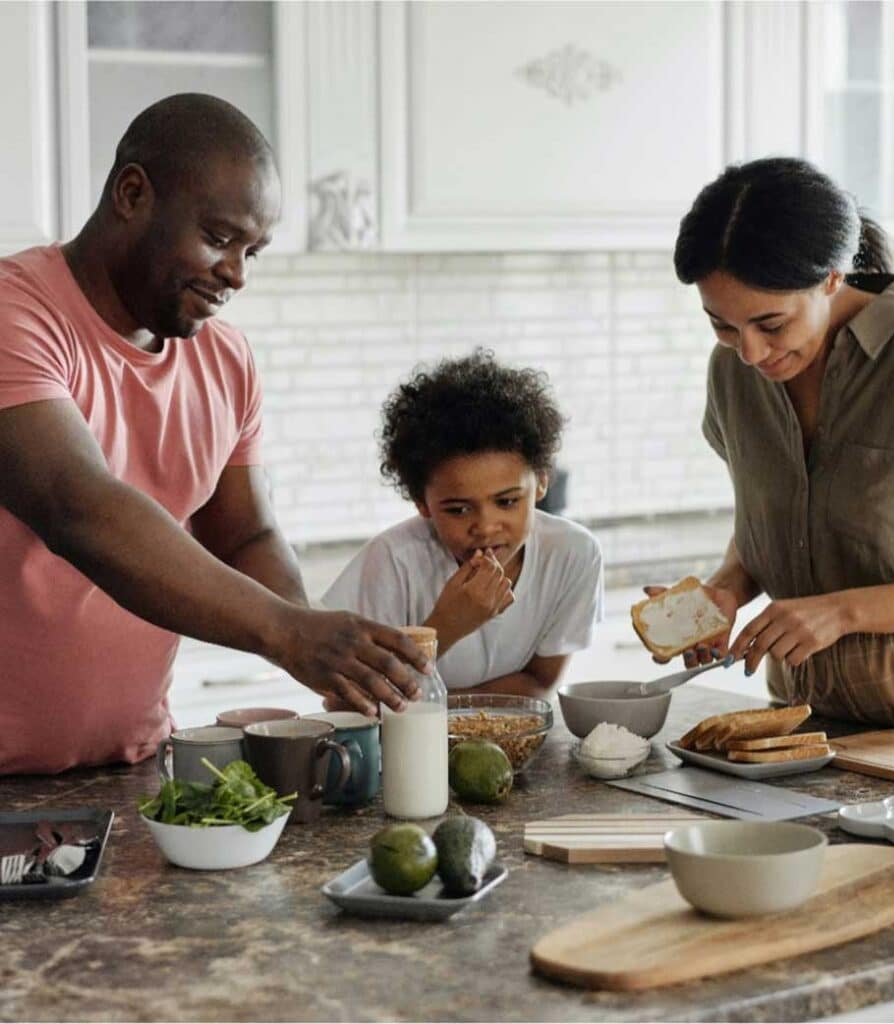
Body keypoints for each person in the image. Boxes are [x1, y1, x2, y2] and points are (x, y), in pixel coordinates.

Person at [0, 94, 426, 775]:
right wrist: (286, 633)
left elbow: (244, 535)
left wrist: (333, 663)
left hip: (132, 766)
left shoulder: (224, 359)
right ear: (132, 193)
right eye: (220, 238)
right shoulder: (16, 313)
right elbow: (74, 505)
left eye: (252, 250)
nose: (237, 274)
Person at [667, 155, 894, 737]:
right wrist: (725, 591)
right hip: (799, 730)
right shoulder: (731, 374)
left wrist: (841, 612)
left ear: (833, 278)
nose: (750, 353)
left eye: (771, 324)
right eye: (722, 326)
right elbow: (772, 523)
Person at [323, 350, 604, 699]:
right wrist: (446, 626)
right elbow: (344, 701)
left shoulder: (573, 554)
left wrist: (435, 706)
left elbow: (539, 683)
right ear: (422, 502)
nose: (485, 527)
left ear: (542, 482)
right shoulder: (392, 562)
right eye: (458, 510)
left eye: (507, 502)